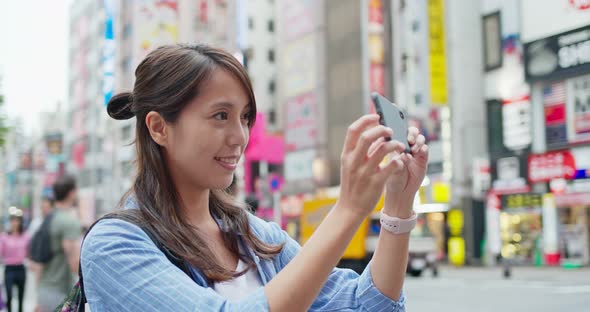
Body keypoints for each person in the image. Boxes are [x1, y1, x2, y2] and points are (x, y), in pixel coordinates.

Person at [82, 44, 429, 311]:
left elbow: (362, 304)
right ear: (159, 127)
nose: (240, 136)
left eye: (245, 117)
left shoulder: (253, 235)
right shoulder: (115, 244)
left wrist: (398, 205)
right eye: (220, 116)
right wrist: (348, 209)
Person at [36, 176, 82, 312]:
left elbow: (38, 261)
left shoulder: (47, 219)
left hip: (45, 289)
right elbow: (74, 263)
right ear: (71, 193)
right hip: (61, 292)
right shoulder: (69, 221)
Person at [0, 211, 30, 312]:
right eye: (12, 220)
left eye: (17, 220)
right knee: (8, 295)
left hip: (21, 268)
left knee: (21, 296)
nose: (15, 223)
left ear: (20, 222)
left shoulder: (25, 236)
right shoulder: (4, 236)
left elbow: (29, 252)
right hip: (9, 268)